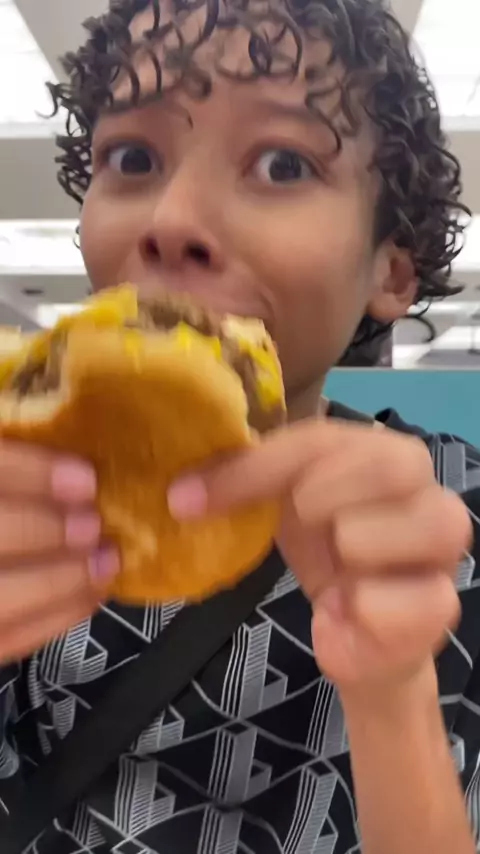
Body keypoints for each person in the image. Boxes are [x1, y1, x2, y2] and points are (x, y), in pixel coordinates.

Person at [0, 0, 479, 851]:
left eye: (283, 165)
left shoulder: (456, 520)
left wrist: (394, 694)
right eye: (133, 157)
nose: (172, 221)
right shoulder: (17, 489)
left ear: (392, 272)